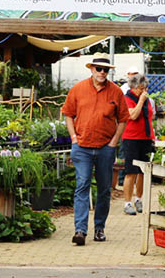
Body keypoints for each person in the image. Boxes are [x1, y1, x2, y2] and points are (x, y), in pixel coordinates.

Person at [62, 53, 129, 246]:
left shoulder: (116, 92)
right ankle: (80, 230)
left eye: (105, 69)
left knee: (104, 190)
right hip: (82, 147)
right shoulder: (78, 89)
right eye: (98, 69)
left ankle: (99, 228)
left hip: (105, 148)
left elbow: (123, 119)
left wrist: (114, 142)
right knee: (82, 185)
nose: (102, 72)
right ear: (91, 69)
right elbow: (67, 114)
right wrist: (74, 138)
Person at [121, 73, 154, 215]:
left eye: (145, 88)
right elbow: (133, 115)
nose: (143, 91)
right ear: (133, 87)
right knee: (131, 171)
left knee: (142, 172)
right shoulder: (126, 99)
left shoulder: (147, 99)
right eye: (141, 88)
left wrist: (152, 137)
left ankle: (138, 199)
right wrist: (141, 101)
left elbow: (150, 118)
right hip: (131, 139)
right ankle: (127, 203)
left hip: (146, 138)